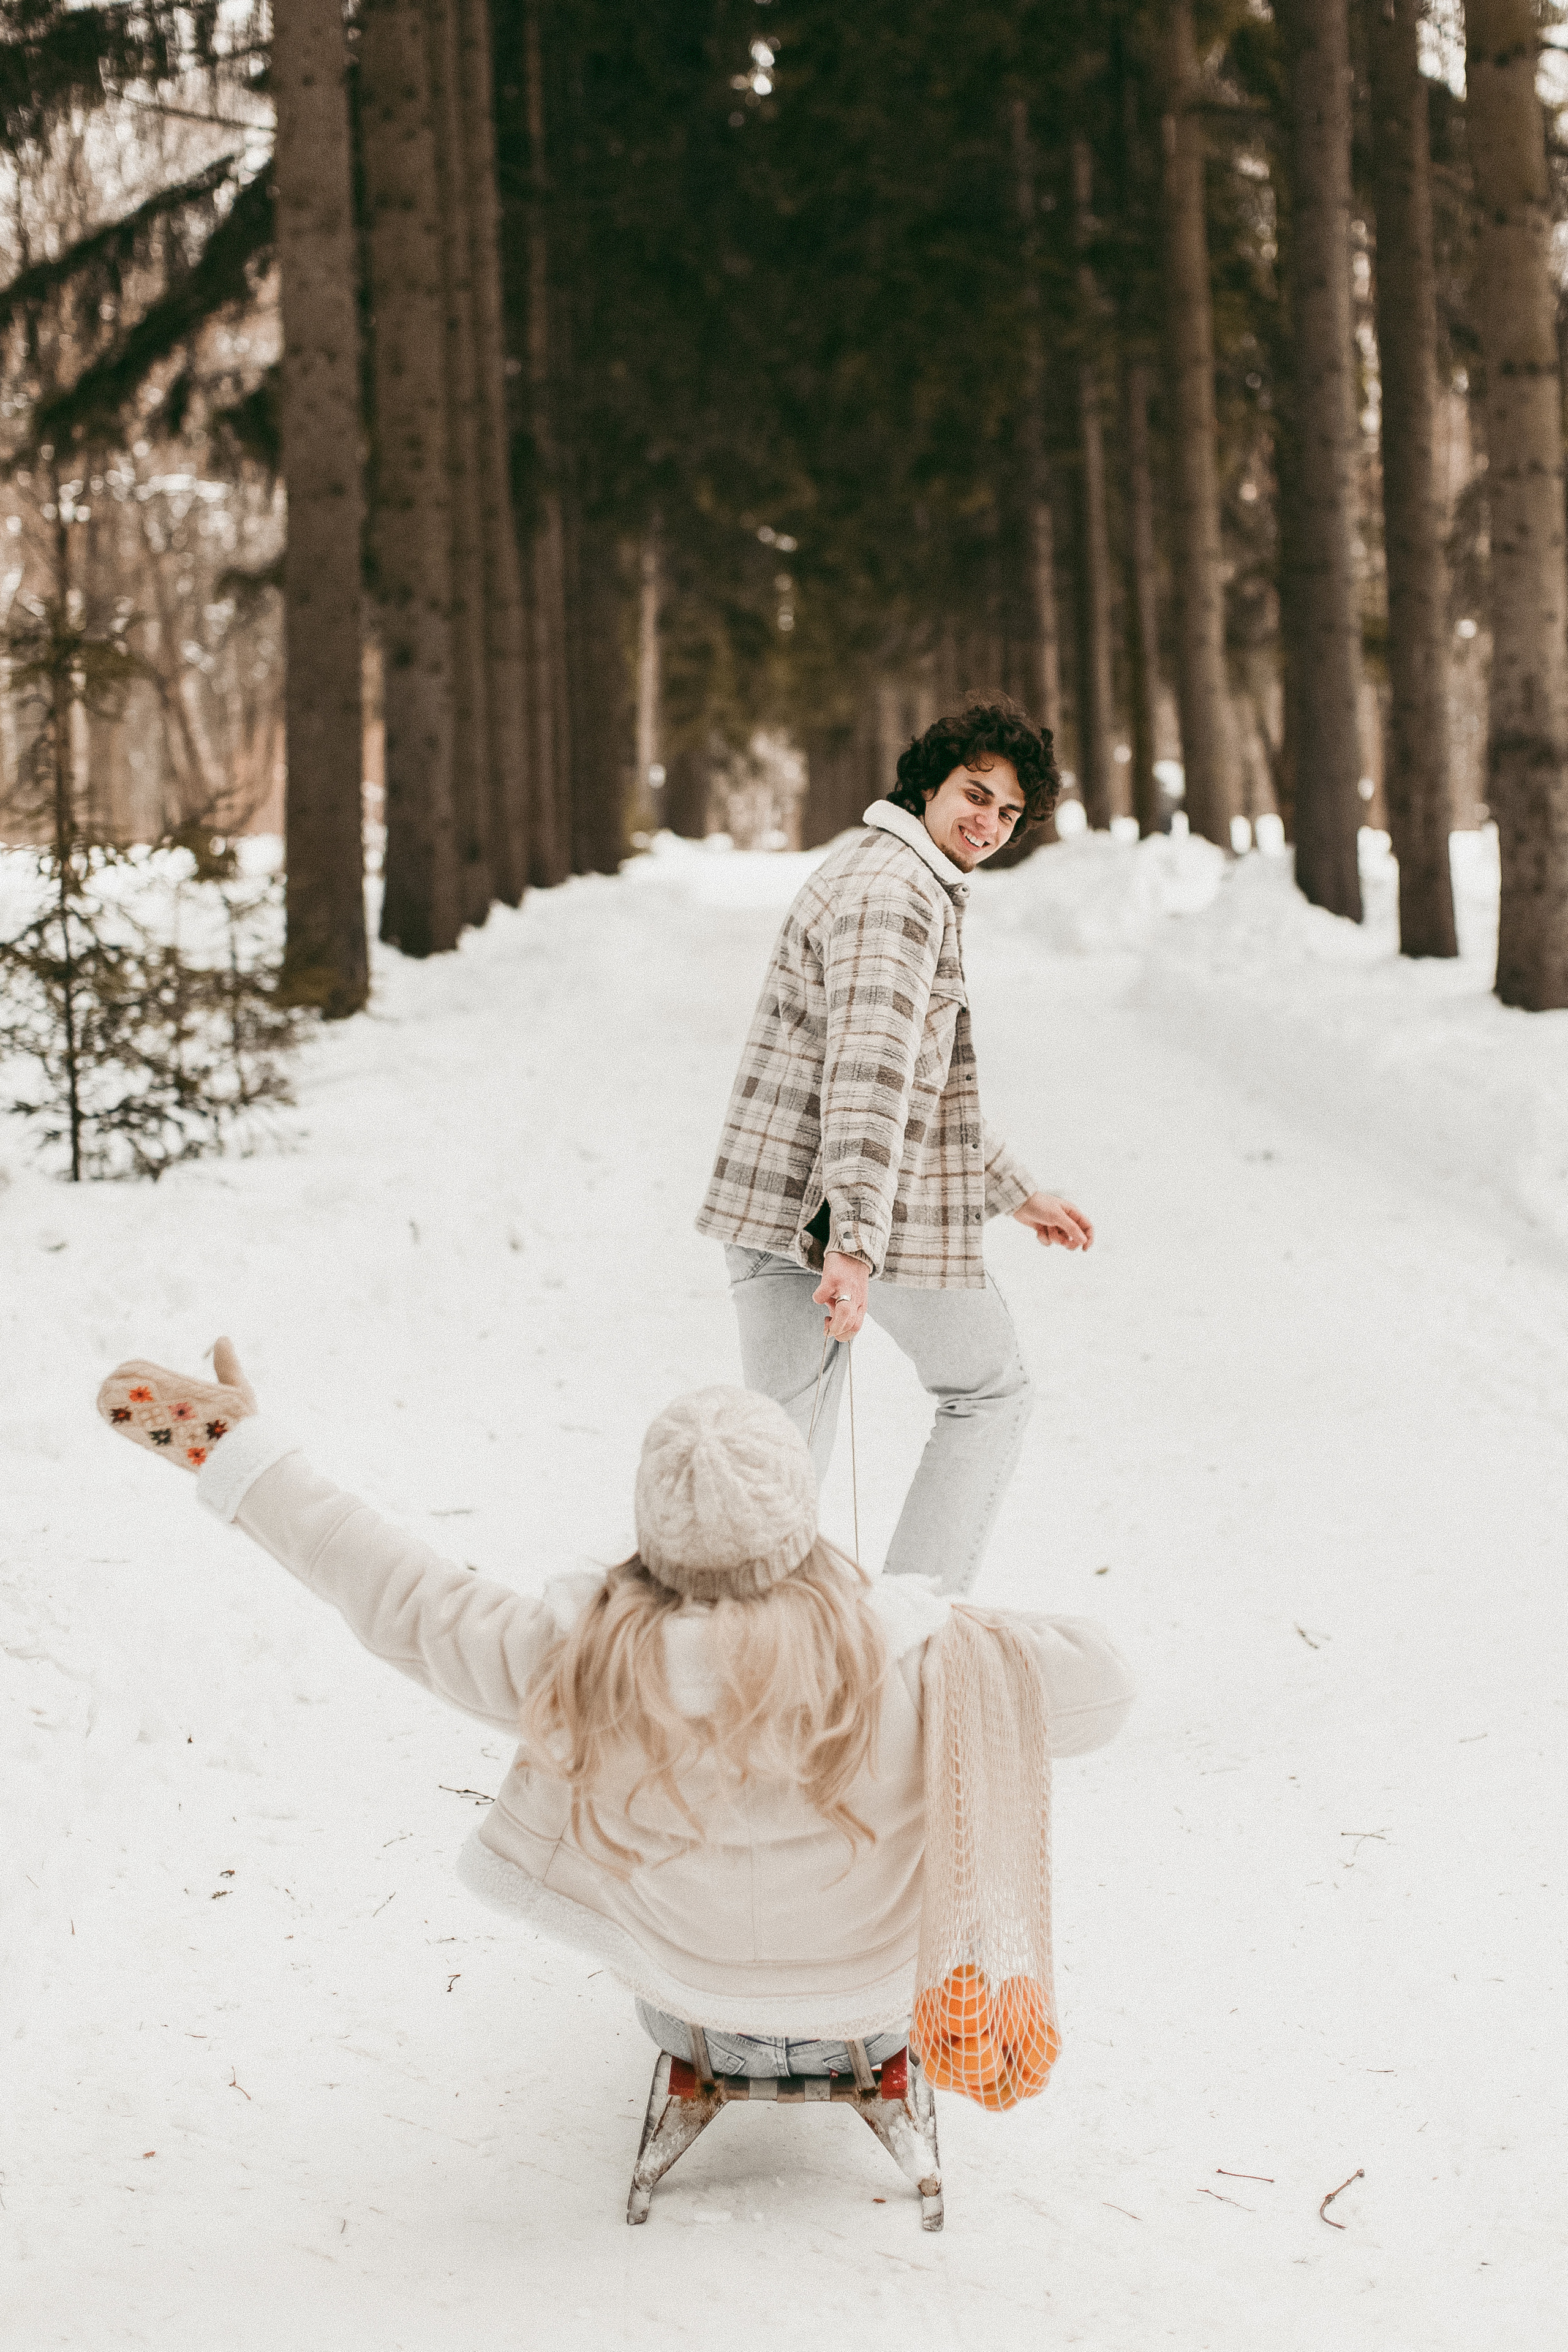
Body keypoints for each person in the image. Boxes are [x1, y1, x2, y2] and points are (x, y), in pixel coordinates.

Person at [97, 1351, 1133, 2081]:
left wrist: (251, 1457)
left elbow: (403, 1597)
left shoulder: (580, 1664)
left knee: (667, 1939)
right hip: (879, 2006)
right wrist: (919, 1620)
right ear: (799, 1524)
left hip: (690, 2010)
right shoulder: (922, 1658)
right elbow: (1105, 1683)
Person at [696, 696, 1093, 1596]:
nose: (987, 823)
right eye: (975, 793)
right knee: (989, 1389)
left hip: (775, 1210)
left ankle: (742, 1669)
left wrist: (1014, 1189)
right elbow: (873, 1084)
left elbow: (908, 1078)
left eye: (1007, 813)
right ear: (929, 782)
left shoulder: (879, 870)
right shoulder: (900, 895)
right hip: (846, 1217)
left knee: (779, 1473)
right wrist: (854, 1246)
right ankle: (911, 1636)